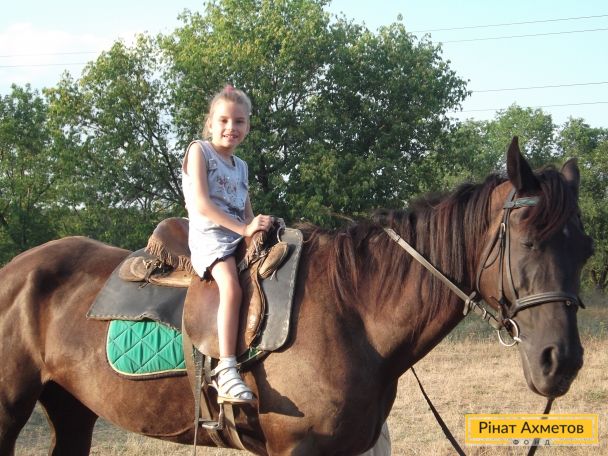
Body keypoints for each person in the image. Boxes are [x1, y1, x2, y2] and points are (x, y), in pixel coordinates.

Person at [182, 85, 272, 404]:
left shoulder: (241, 166)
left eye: (239, 121)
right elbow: (202, 204)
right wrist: (244, 228)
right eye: (223, 120)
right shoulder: (200, 151)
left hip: (236, 235)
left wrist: (258, 227)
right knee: (231, 288)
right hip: (211, 237)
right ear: (210, 123)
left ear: (247, 126)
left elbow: (246, 211)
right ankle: (226, 368)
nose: (230, 127)